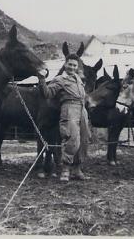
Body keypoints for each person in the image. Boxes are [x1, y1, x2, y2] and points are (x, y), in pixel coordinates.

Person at [37, 53, 91, 182]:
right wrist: (42, 79)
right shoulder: (60, 79)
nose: (72, 67)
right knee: (71, 138)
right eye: (70, 64)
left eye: (74, 65)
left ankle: (77, 169)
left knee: (84, 139)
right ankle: (65, 170)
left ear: (77, 67)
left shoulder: (78, 78)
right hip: (69, 108)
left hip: (82, 109)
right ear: (65, 64)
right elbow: (47, 93)